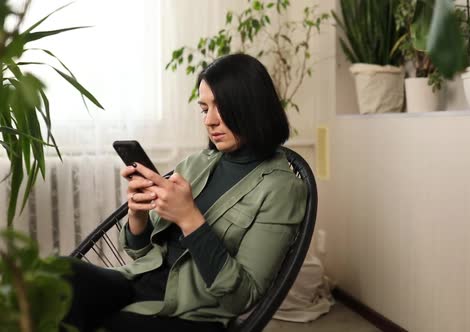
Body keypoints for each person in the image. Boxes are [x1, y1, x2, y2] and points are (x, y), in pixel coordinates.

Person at [62, 53, 308, 332]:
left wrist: (190, 218)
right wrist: (138, 214)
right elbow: (141, 252)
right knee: (56, 274)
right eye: (204, 109)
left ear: (252, 107)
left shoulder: (282, 189)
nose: (210, 121)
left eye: (221, 107)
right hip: (138, 283)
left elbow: (242, 296)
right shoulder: (196, 164)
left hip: (192, 313)